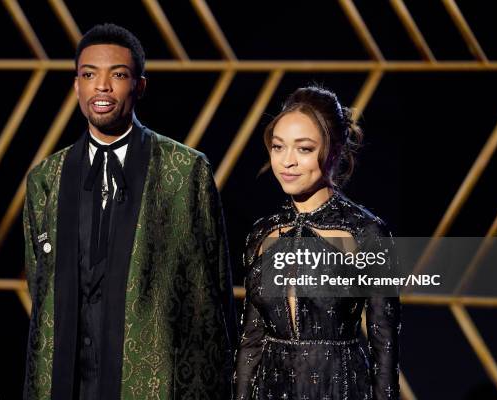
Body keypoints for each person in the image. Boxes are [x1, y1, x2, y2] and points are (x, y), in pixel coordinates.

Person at [22, 23, 236, 399]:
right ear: (76, 85)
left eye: (117, 75)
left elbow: (210, 292)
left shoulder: (184, 171)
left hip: (148, 380)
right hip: (66, 379)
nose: (102, 86)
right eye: (89, 75)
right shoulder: (46, 178)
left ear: (139, 86)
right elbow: (39, 288)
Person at [234, 86, 401, 399]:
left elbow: (385, 347)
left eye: (304, 149)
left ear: (335, 149)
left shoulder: (365, 233)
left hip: (340, 388)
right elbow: (251, 343)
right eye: (278, 147)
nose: (287, 161)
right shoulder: (261, 234)